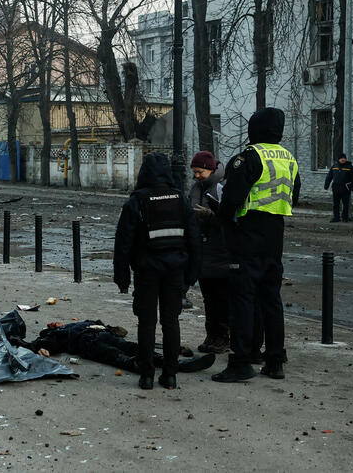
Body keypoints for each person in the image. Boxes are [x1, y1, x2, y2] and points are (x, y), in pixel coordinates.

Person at [212, 107, 301, 383]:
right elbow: (293, 196)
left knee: (242, 299)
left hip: (247, 233)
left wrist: (224, 222)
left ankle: (241, 361)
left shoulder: (249, 157)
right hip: (275, 235)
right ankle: (274, 361)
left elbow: (231, 199)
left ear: (254, 128)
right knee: (271, 299)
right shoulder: (289, 158)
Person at [114, 152, 199, 390]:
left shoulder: (137, 201)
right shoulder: (180, 199)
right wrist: (192, 274)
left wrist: (122, 277)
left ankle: (147, 375)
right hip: (175, 271)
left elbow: (123, 242)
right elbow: (193, 238)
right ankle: (170, 375)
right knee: (171, 322)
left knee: (146, 323)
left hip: (146, 270)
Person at [9, 320, 215, 374]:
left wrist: (109, 328)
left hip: (101, 334)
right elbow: (37, 346)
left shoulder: (79, 323)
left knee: (133, 347)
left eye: (55, 323)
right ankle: (143, 366)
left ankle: (172, 363)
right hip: (89, 343)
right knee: (115, 355)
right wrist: (40, 349)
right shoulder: (53, 336)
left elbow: (119, 331)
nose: (55, 324)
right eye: (52, 325)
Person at [189, 150, 230, 354]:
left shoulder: (222, 187)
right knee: (208, 297)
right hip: (202, 250)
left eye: (199, 172)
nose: (196, 175)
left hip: (219, 250)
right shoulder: (196, 187)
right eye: (194, 172)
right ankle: (211, 336)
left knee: (221, 297)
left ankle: (222, 337)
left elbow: (229, 220)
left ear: (210, 169)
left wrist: (209, 216)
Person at [323, 153, 353, 222]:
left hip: (345, 189)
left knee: (346, 204)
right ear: (338, 159)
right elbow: (329, 176)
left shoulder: (350, 167)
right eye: (341, 158)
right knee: (336, 204)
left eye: (344, 158)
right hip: (336, 188)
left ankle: (345, 217)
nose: (343, 159)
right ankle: (336, 217)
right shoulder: (334, 166)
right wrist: (326, 185)